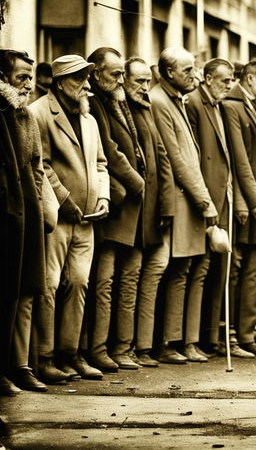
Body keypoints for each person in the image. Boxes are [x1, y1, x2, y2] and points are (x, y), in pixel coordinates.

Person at [30, 55, 110, 383]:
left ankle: (70, 354)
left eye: (87, 78)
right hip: (57, 217)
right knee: (49, 284)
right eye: (79, 79)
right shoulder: (39, 113)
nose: (86, 85)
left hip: (87, 217)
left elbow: (101, 164)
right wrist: (64, 200)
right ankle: (45, 358)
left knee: (79, 283)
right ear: (60, 82)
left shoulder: (88, 119)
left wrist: (103, 196)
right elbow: (41, 164)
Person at [150, 47, 218, 364]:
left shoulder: (175, 99)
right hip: (182, 199)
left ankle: (186, 341)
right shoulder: (161, 101)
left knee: (190, 269)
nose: (194, 75)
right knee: (177, 270)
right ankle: (170, 341)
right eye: (187, 70)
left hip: (189, 198)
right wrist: (205, 201)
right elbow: (178, 160)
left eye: (194, 69)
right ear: (168, 73)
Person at [85, 48, 146, 373]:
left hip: (131, 208)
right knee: (105, 281)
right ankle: (98, 349)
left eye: (123, 74)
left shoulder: (118, 100)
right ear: (95, 73)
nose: (121, 80)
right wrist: (137, 182)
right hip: (116, 206)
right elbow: (111, 149)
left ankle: (122, 348)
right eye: (115, 74)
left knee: (128, 278)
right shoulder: (94, 102)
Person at [186, 58, 251, 359]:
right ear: (208, 78)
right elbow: (195, 159)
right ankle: (198, 337)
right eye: (225, 80)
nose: (229, 85)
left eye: (232, 79)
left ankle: (213, 336)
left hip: (223, 198)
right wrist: (206, 201)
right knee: (202, 269)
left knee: (222, 267)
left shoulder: (218, 106)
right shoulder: (196, 104)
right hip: (204, 201)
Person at [0, 50, 50, 394]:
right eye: (21, 77)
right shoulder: (2, 112)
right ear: (3, 78)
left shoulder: (25, 116)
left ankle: (18, 366)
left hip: (26, 212)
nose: (28, 85)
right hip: (5, 213)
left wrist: (41, 209)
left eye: (30, 78)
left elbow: (36, 165)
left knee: (23, 292)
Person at [222, 59, 256, 356]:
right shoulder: (233, 106)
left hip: (255, 198)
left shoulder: (251, 104)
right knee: (241, 269)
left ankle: (245, 334)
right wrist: (254, 200)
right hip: (246, 202)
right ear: (250, 78)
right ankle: (236, 335)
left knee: (251, 268)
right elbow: (240, 160)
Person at [122, 57, 174, 368]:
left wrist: (166, 206)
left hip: (153, 211)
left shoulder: (146, 108)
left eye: (146, 80)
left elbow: (163, 159)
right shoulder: (123, 108)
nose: (145, 87)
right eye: (139, 81)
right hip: (131, 213)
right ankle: (125, 347)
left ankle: (141, 346)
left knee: (148, 278)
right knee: (128, 281)